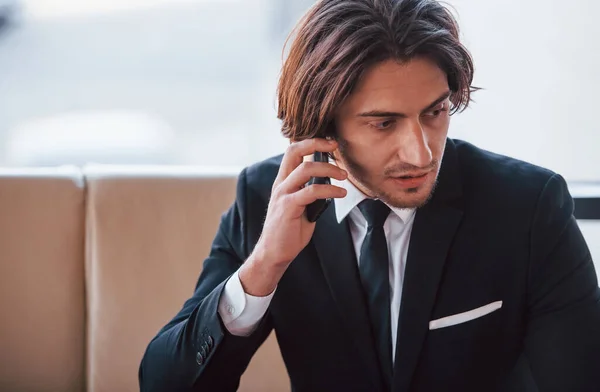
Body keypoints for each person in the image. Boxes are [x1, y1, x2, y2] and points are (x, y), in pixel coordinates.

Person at [138, 0, 600, 391]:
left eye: (435, 112)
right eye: (384, 123)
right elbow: (162, 382)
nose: (421, 152)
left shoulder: (529, 206)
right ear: (323, 125)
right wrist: (265, 267)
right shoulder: (266, 199)